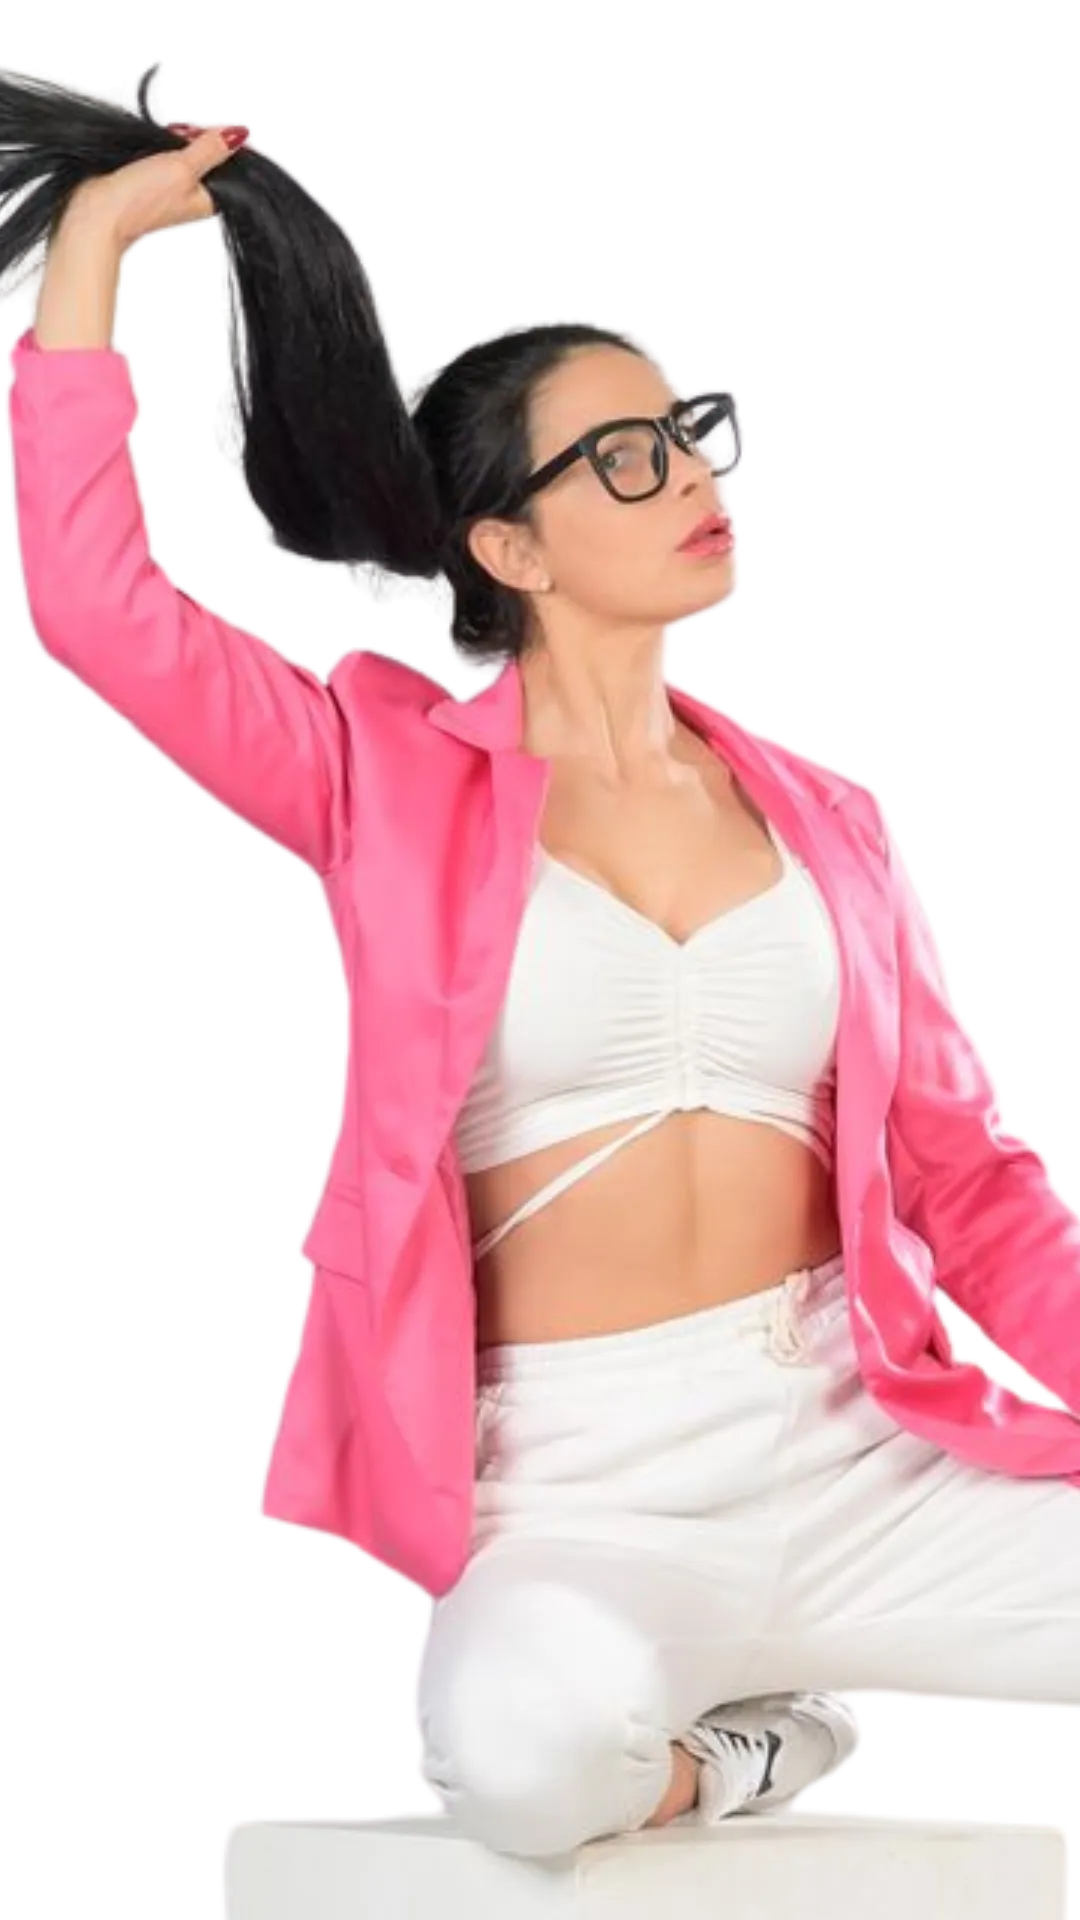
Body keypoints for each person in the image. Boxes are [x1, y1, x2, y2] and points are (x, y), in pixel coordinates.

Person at [5, 66, 1077, 1866]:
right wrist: (97, 252)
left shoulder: (833, 814)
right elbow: (97, 610)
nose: (697, 476)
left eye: (698, 434)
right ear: (508, 544)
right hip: (581, 1502)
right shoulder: (376, 770)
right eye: (629, 456)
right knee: (518, 1769)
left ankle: (785, 1670)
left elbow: (973, 1180)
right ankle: (764, 1747)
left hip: (862, 1458)